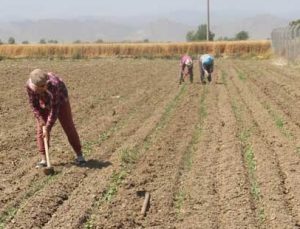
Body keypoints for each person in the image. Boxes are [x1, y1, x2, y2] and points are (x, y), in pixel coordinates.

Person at [26, 69, 86, 168]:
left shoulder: (54, 84)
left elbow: (54, 110)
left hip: (61, 101)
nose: (44, 87)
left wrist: (48, 127)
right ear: (34, 85)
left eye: (45, 84)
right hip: (43, 102)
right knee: (40, 130)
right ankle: (44, 160)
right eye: (41, 87)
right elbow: (33, 105)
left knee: (68, 126)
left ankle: (80, 156)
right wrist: (40, 119)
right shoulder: (29, 86)